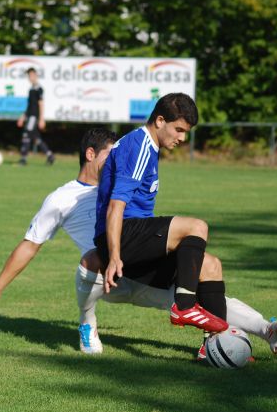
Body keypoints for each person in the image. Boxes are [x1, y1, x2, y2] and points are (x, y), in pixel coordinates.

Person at [0, 128, 277, 358]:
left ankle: (262, 331)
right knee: (91, 256)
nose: (118, 159)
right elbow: (30, 244)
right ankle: (87, 325)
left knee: (208, 267)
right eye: (111, 154)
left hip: (142, 270)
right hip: (105, 279)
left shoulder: (125, 185)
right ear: (90, 154)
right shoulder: (61, 199)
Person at [95, 93, 228, 334]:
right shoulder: (139, 146)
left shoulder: (148, 147)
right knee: (197, 227)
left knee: (210, 266)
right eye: (178, 130)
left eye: (186, 132)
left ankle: (219, 343)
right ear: (159, 121)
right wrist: (114, 256)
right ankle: (184, 306)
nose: (182, 138)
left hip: (133, 238)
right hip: (122, 237)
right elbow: (116, 206)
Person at [17, 67, 54, 166]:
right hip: (29, 116)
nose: (30, 78)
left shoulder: (39, 89)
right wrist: (23, 117)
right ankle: (50, 155)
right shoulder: (31, 89)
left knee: (26, 134)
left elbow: (41, 104)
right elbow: (29, 106)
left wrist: (41, 119)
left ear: (35, 75)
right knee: (36, 138)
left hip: (34, 117)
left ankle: (23, 159)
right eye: (29, 76)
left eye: (31, 75)